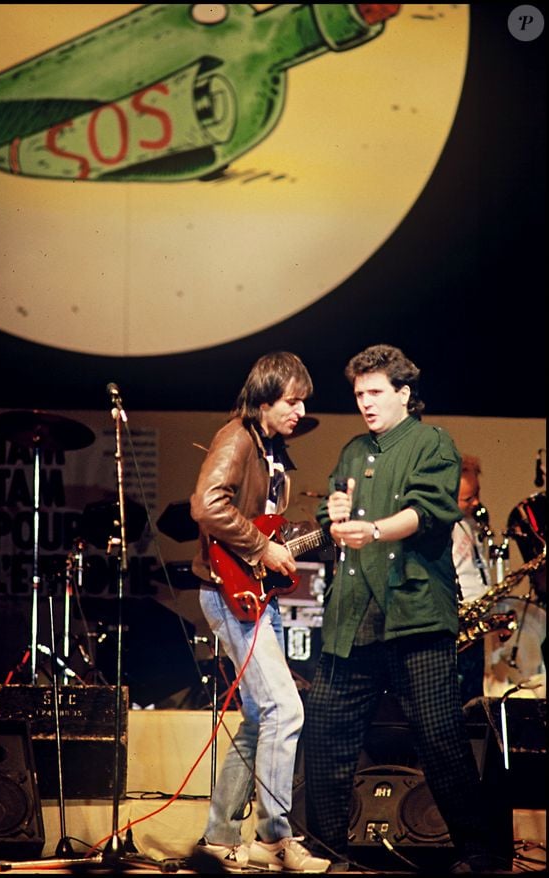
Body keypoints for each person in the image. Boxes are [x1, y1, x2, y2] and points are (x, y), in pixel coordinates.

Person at [303, 344, 512, 874]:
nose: (366, 403)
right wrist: (333, 512)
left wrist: (372, 528)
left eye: (376, 393)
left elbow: (428, 512)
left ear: (403, 393)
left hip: (413, 613)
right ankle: (329, 853)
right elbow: (334, 514)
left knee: (440, 737)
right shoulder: (352, 450)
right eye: (359, 395)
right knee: (328, 735)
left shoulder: (431, 441)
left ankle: (481, 854)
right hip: (353, 618)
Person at [189, 351, 331, 874]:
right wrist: (260, 548)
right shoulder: (238, 437)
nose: (299, 411)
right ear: (266, 395)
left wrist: (285, 543)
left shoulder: (271, 449)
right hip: (230, 595)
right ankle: (274, 841)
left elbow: (261, 521)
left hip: (253, 595)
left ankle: (219, 837)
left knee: (257, 720)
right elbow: (206, 504)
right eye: (292, 401)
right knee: (286, 710)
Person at [452, 455, 492, 706]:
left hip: (477, 615)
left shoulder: (469, 524)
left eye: (476, 494)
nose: (476, 502)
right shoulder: (443, 530)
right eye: (468, 498)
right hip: (460, 619)